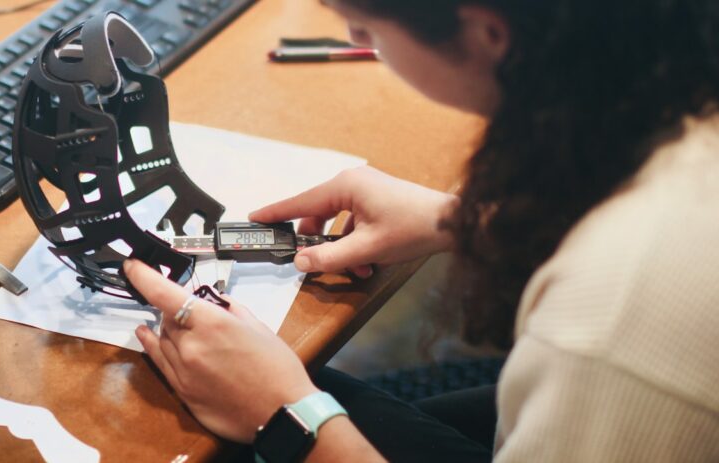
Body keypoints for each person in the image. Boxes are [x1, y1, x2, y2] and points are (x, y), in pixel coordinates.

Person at [124, 0, 719, 461]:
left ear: (487, 33)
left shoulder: (612, 328)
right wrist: (464, 219)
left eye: (366, 28)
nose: (358, 41)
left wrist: (284, 415)